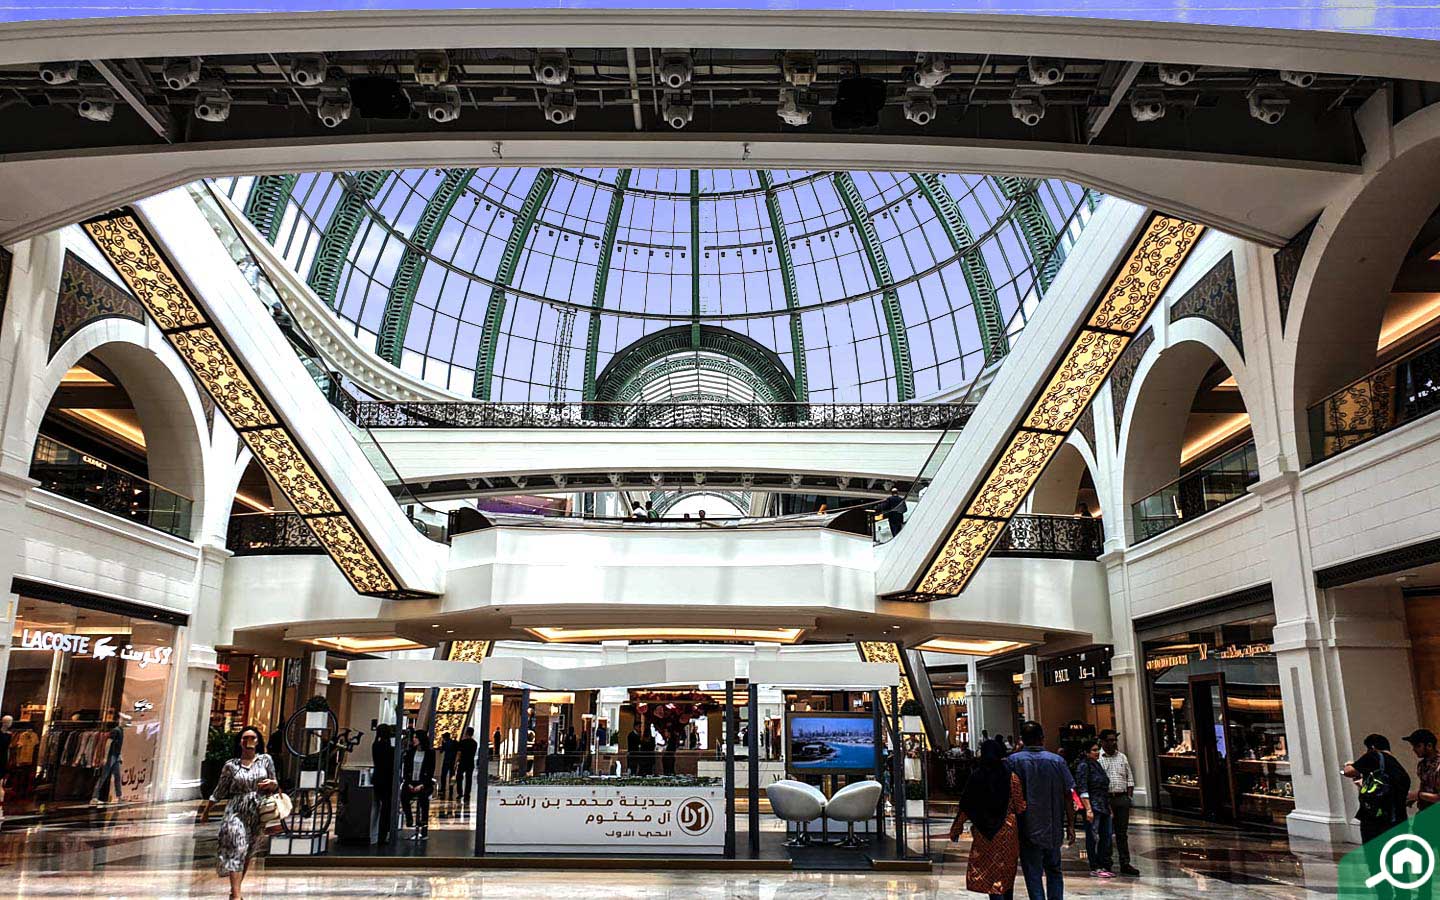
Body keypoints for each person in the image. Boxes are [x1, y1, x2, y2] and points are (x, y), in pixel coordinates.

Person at [200, 725, 278, 900]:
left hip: (257, 811)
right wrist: (206, 810)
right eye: (245, 738)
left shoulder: (266, 760)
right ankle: (236, 896)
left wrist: (271, 784)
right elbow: (220, 789)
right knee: (238, 847)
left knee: (248, 852)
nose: (249, 741)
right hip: (236, 810)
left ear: (258, 742)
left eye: (252, 738)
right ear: (240, 742)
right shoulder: (231, 765)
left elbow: (275, 783)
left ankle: (235, 891)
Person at [1006, 721, 1075, 900]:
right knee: (1054, 870)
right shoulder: (1057, 761)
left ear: (1022, 739)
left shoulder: (1013, 761)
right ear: (1042, 738)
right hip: (1053, 826)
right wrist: (1071, 825)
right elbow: (1068, 795)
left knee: (1033, 873)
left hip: (1026, 828)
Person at [949, 739, 1025, 900]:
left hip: (984, 834)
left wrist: (956, 829)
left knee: (991, 873)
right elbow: (1020, 807)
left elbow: (966, 806)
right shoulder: (1011, 778)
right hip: (1007, 832)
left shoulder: (976, 777)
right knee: (1006, 871)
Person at [1345, 734, 1411, 900]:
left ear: (1372, 747)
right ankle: (1403, 894)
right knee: (1397, 862)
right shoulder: (1399, 768)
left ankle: (1384, 894)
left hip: (1375, 823)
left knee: (1375, 861)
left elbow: (1349, 772)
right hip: (1398, 821)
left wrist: (1348, 765)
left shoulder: (1373, 756)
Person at [1098, 729, 1139, 876]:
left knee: (1122, 833)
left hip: (1121, 798)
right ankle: (1106, 863)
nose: (1113, 743)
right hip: (1106, 798)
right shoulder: (1099, 759)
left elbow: (1129, 777)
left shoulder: (1122, 757)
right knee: (1106, 832)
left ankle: (1125, 862)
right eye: (1110, 740)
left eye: (1114, 740)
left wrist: (1129, 797)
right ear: (1102, 742)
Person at [1073, 741, 1114, 878]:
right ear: (1087, 752)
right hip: (1093, 806)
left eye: (1098, 750)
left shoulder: (1097, 765)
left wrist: (1108, 807)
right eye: (1094, 750)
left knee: (1106, 836)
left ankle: (1103, 863)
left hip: (1103, 805)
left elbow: (1104, 788)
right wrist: (1088, 809)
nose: (1097, 752)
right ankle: (1095, 865)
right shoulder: (1084, 766)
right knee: (1093, 836)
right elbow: (1082, 788)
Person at [402, 730, 437, 840]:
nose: (414, 739)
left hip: (424, 783)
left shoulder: (430, 753)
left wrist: (422, 785)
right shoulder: (410, 752)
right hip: (411, 782)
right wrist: (408, 783)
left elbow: (430, 771)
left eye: (416, 737)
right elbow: (406, 770)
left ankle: (424, 823)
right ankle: (409, 818)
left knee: (423, 797)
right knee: (403, 795)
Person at [90, 715, 128, 806]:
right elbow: (108, 743)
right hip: (111, 756)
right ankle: (94, 797)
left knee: (117, 776)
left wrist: (119, 755)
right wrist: (105, 757)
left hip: (115, 756)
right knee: (104, 776)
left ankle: (119, 796)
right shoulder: (116, 731)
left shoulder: (121, 731)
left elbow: (117, 745)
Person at [1404, 728, 1440, 812]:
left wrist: (1418, 795)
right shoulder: (1422, 765)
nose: (1414, 749)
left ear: (1429, 746)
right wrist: (1414, 798)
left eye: (1418, 746)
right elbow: (1425, 787)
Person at [371, 724, 395, 843]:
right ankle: (383, 834)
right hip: (387, 780)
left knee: (377, 806)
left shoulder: (375, 745)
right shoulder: (390, 749)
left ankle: (374, 834)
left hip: (377, 778)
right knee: (386, 808)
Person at [456, 727, 478, 805]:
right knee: (469, 779)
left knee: (459, 777)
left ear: (466, 733)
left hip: (462, 762)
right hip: (470, 762)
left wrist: (456, 763)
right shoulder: (474, 743)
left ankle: (460, 793)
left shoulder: (462, 742)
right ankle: (467, 795)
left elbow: (459, 753)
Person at [438, 733, 457, 800]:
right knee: (452, 777)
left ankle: (443, 789)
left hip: (446, 761)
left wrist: (442, 744)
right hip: (452, 762)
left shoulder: (445, 743)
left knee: (443, 776)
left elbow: (441, 751)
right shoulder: (454, 743)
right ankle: (451, 790)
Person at [0, 715, 11, 821]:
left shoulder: (9, 735)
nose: (9, 723)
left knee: (1, 783)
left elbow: (8, 750)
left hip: (3, 759)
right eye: (8, 721)